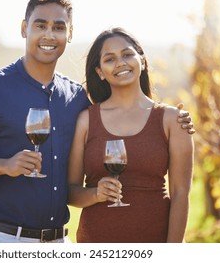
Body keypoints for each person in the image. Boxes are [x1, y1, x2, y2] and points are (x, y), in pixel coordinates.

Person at [0, 0, 194, 243]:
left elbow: (120, 119)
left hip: (58, 242)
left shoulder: (75, 99)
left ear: (69, 33)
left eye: (59, 27)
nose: (49, 35)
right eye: (40, 25)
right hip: (4, 239)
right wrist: (5, 165)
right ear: (24, 28)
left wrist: (174, 119)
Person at [68, 27, 194, 243]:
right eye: (110, 59)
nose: (120, 62)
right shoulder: (86, 121)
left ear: (142, 61)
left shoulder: (173, 120)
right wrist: (95, 194)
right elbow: (70, 191)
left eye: (127, 54)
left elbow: (181, 193)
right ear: (99, 71)